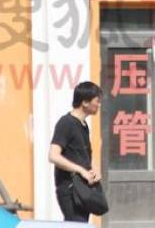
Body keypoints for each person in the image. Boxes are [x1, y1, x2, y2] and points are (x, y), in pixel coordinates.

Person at [48, 81, 103, 222]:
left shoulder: (83, 125)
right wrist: (81, 170)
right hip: (70, 189)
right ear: (85, 102)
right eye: (97, 101)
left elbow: (85, 155)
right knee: (76, 223)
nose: (99, 105)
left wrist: (94, 169)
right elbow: (53, 156)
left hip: (84, 188)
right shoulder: (66, 123)